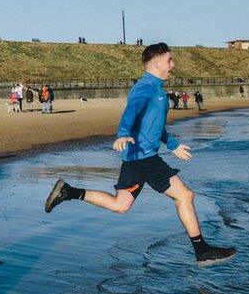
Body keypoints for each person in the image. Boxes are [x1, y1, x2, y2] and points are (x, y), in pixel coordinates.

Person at [44, 43, 236, 266]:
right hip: (144, 158)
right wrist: (123, 132)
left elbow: (154, 126)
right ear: (156, 63)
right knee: (185, 196)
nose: (172, 65)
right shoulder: (147, 88)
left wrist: (172, 145)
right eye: (169, 60)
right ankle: (202, 251)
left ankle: (69, 192)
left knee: (121, 205)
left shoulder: (155, 89)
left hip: (134, 158)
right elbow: (131, 111)